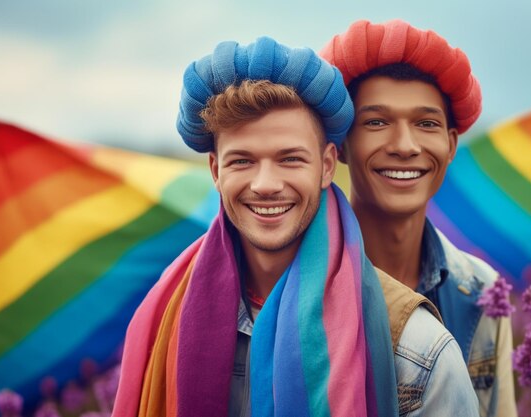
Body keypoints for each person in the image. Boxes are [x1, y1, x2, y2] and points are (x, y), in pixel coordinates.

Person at [112, 37, 477, 417]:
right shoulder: (159, 323)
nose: (265, 184)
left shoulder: (418, 349)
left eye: (290, 159)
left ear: (327, 166)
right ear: (215, 170)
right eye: (242, 161)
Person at [321, 19, 518, 417]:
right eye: (376, 122)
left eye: (426, 123)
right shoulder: (296, 282)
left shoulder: (481, 290)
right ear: (340, 146)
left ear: (450, 145)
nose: (405, 146)